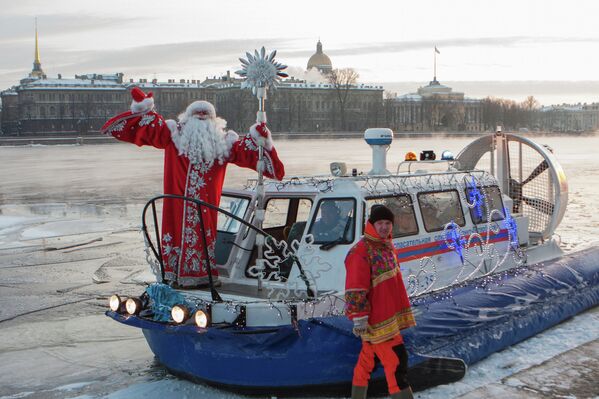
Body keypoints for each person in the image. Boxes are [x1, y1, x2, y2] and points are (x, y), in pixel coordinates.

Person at [101, 87, 285, 287]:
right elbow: (145, 129)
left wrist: (259, 137)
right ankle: (175, 275)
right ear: (186, 119)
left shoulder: (224, 143)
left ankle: (201, 275)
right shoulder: (172, 135)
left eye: (205, 118)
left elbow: (251, 155)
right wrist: (144, 110)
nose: (201, 120)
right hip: (177, 205)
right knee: (179, 235)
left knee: (202, 239)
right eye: (198, 117)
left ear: (214, 122)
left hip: (205, 208)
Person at [345, 204, 416, 399]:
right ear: (371, 224)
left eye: (387, 223)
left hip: (387, 318)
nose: (384, 227)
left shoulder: (386, 245)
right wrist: (359, 317)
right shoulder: (360, 252)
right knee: (396, 362)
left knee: (367, 361)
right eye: (380, 223)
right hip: (377, 321)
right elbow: (355, 287)